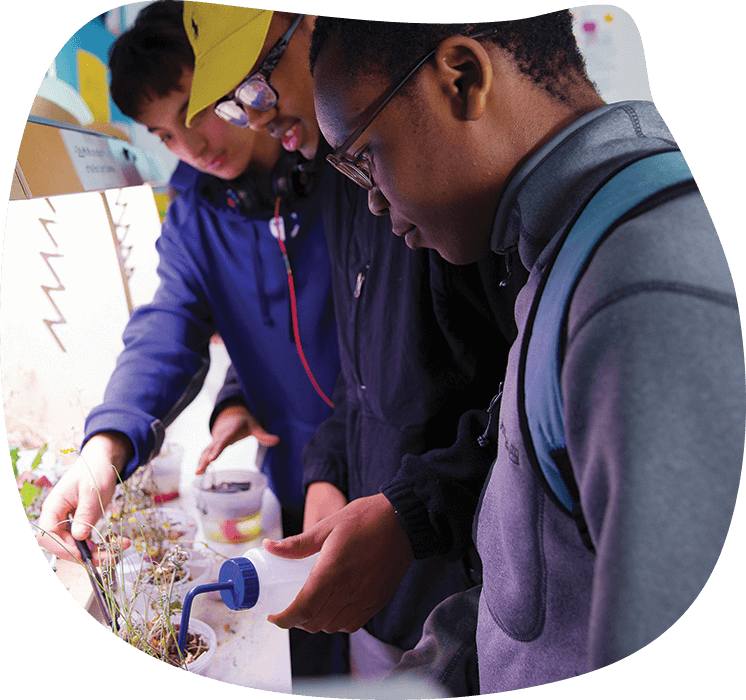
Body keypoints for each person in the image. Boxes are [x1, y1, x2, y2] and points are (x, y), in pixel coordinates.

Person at [308, 14, 744, 692]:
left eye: (364, 156)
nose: (368, 202)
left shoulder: (642, 294)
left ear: (461, 79)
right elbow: (535, 605)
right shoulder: (563, 250)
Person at [182, 3, 521, 680]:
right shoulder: (341, 186)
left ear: (318, 25)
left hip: (467, 595)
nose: (255, 117)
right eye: (235, 101)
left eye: (259, 84)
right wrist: (327, 475)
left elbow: (526, 401)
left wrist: (409, 516)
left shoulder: (448, 177)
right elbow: (356, 377)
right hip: (378, 598)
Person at [36, 0, 340, 620]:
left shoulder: (334, 168)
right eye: (166, 135)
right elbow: (169, 323)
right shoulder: (194, 211)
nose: (192, 145)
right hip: (285, 470)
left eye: (197, 109)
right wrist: (108, 444)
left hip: (388, 457)